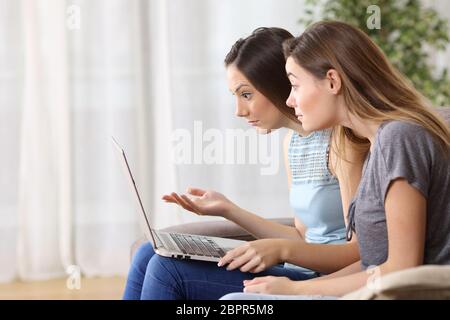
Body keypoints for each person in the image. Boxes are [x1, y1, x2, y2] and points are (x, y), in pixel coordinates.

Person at [122, 27, 365, 300]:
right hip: (297, 268)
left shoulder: (342, 143)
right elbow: (302, 235)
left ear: (279, 83)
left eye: (246, 94)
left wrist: (281, 251)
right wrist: (228, 209)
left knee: (167, 270)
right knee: (147, 252)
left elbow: (360, 252)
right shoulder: (293, 144)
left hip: (322, 279)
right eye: (235, 96)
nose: (238, 110)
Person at [222, 20, 450, 299]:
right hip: (370, 289)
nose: (290, 101)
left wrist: (297, 288)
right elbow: (370, 264)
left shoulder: (399, 138)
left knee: (236, 301)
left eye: (294, 86)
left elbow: (400, 269)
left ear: (332, 81)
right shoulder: (376, 142)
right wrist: (292, 290)